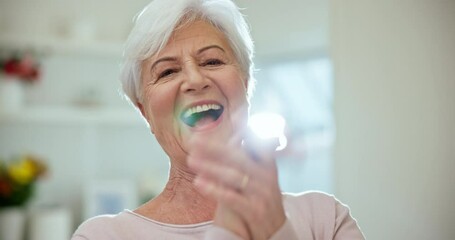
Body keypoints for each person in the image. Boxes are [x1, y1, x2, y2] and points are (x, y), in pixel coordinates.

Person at [71, 0, 365, 239]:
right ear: (144, 112)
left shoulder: (325, 219)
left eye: (212, 61)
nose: (195, 80)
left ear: (247, 85)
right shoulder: (103, 235)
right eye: (167, 72)